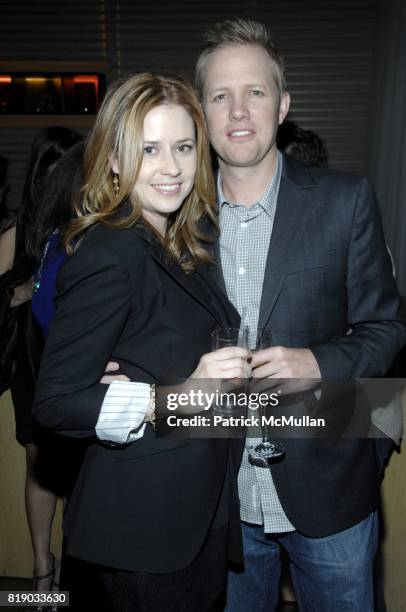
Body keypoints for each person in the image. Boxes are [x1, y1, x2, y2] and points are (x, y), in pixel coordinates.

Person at [195, 18, 406, 611]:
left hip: (330, 486)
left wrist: (318, 360)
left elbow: (387, 328)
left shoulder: (347, 201)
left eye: (255, 92)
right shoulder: (174, 221)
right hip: (220, 494)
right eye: (220, 95)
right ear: (202, 111)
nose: (238, 111)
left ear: (282, 104)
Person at [32, 73, 251, 612]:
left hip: (190, 519)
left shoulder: (179, 242)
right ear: (112, 158)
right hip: (138, 537)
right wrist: (176, 396)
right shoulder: (112, 252)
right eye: (148, 149)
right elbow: (54, 400)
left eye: (182, 147)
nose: (171, 167)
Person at [0, 128, 81, 600]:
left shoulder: (87, 226)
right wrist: (22, 291)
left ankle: (72, 574)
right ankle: (41, 574)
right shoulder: (21, 229)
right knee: (39, 465)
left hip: (74, 358)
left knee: (76, 471)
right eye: (53, 165)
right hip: (32, 360)